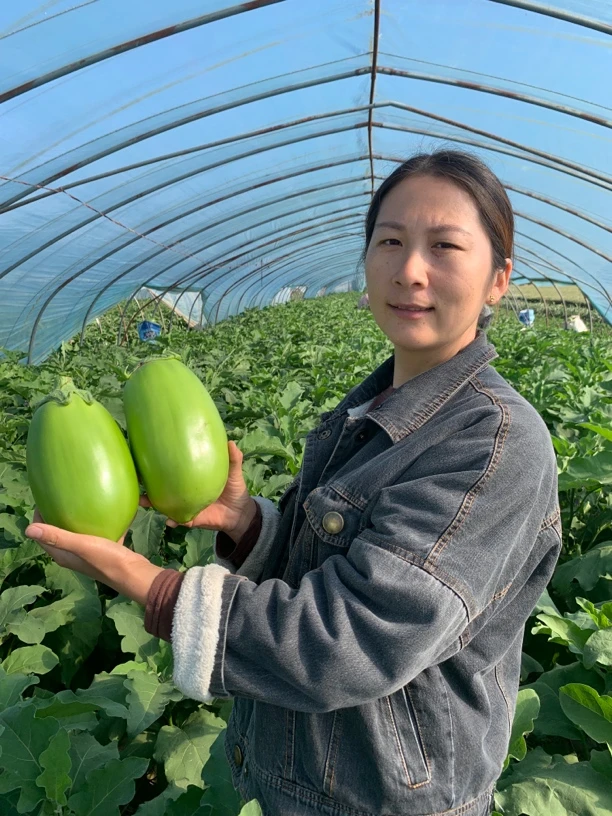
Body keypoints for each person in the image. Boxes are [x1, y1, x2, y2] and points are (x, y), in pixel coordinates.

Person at [26, 150, 561, 816]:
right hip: (298, 785)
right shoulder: (369, 411)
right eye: (389, 242)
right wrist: (247, 522)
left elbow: (354, 641)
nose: (410, 270)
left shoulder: (495, 445)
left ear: (498, 280)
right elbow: (336, 567)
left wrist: (152, 586)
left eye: (444, 246)